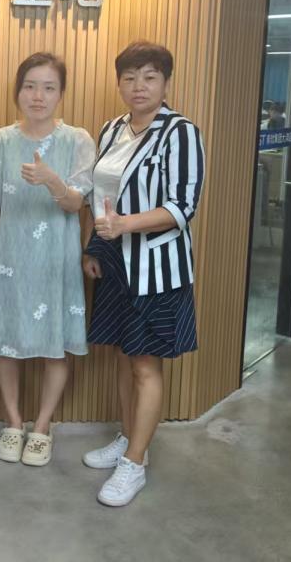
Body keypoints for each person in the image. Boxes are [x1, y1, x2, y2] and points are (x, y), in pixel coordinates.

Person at [81, 41, 205, 507]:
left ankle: (135, 463)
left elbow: (182, 206)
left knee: (145, 364)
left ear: (165, 83)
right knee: (122, 355)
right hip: (116, 263)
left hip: (157, 267)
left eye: (150, 77)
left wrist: (126, 225)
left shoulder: (181, 133)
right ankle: (129, 437)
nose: (139, 86)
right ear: (119, 83)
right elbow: (101, 197)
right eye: (130, 77)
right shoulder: (112, 129)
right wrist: (96, 245)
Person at [0, 53, 95, 466]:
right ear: (18, 91)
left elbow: (77, 203)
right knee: (6, 343)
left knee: (54, 347)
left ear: (61, 94)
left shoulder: (77, 140)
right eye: (30, 86)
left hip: (55, 259)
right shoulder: (1, 139)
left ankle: (42, 427)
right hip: (9, 256)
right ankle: (13, 423)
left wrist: (52, 180)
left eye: (48, 87)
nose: (38, 96)